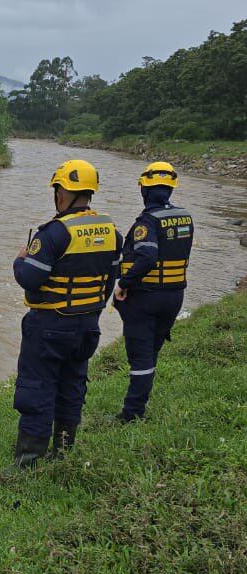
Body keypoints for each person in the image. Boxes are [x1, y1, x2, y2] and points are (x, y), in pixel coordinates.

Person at [12, 159, 122, 466]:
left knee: (36, 389)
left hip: (49, 326)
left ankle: (28, 460)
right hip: (87, 326)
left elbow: (29, 278)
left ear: (61, 192)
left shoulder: (53, 234)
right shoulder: (113, 232)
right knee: (72, 385)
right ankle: (63, 452)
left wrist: (19, 260)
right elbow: (109, 280)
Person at [112, 161, 194, 422]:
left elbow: (147, 256)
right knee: (151, 352)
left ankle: (132, 414)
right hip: (174, 295)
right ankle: (139, 400)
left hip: (146, 297)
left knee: (140, 357)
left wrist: (123, 284)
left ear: (145, 189)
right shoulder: (185, 217)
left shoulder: (147, 221)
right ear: (171, 188)